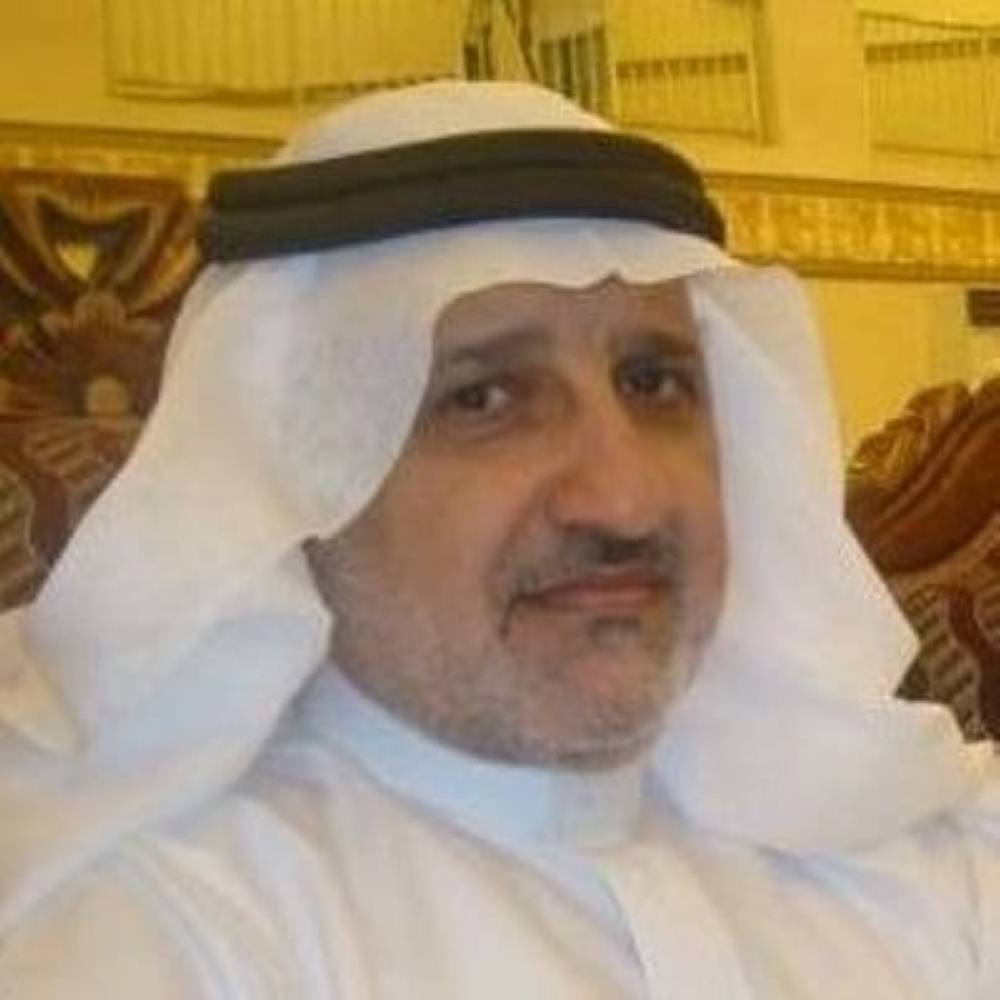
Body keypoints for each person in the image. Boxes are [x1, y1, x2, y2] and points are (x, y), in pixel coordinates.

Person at [0, 81, 997, 998]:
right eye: (485, 398)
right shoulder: (161, 933)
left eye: (655, 383)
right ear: (307, 475)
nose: (625, 500)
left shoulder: (925, 862)